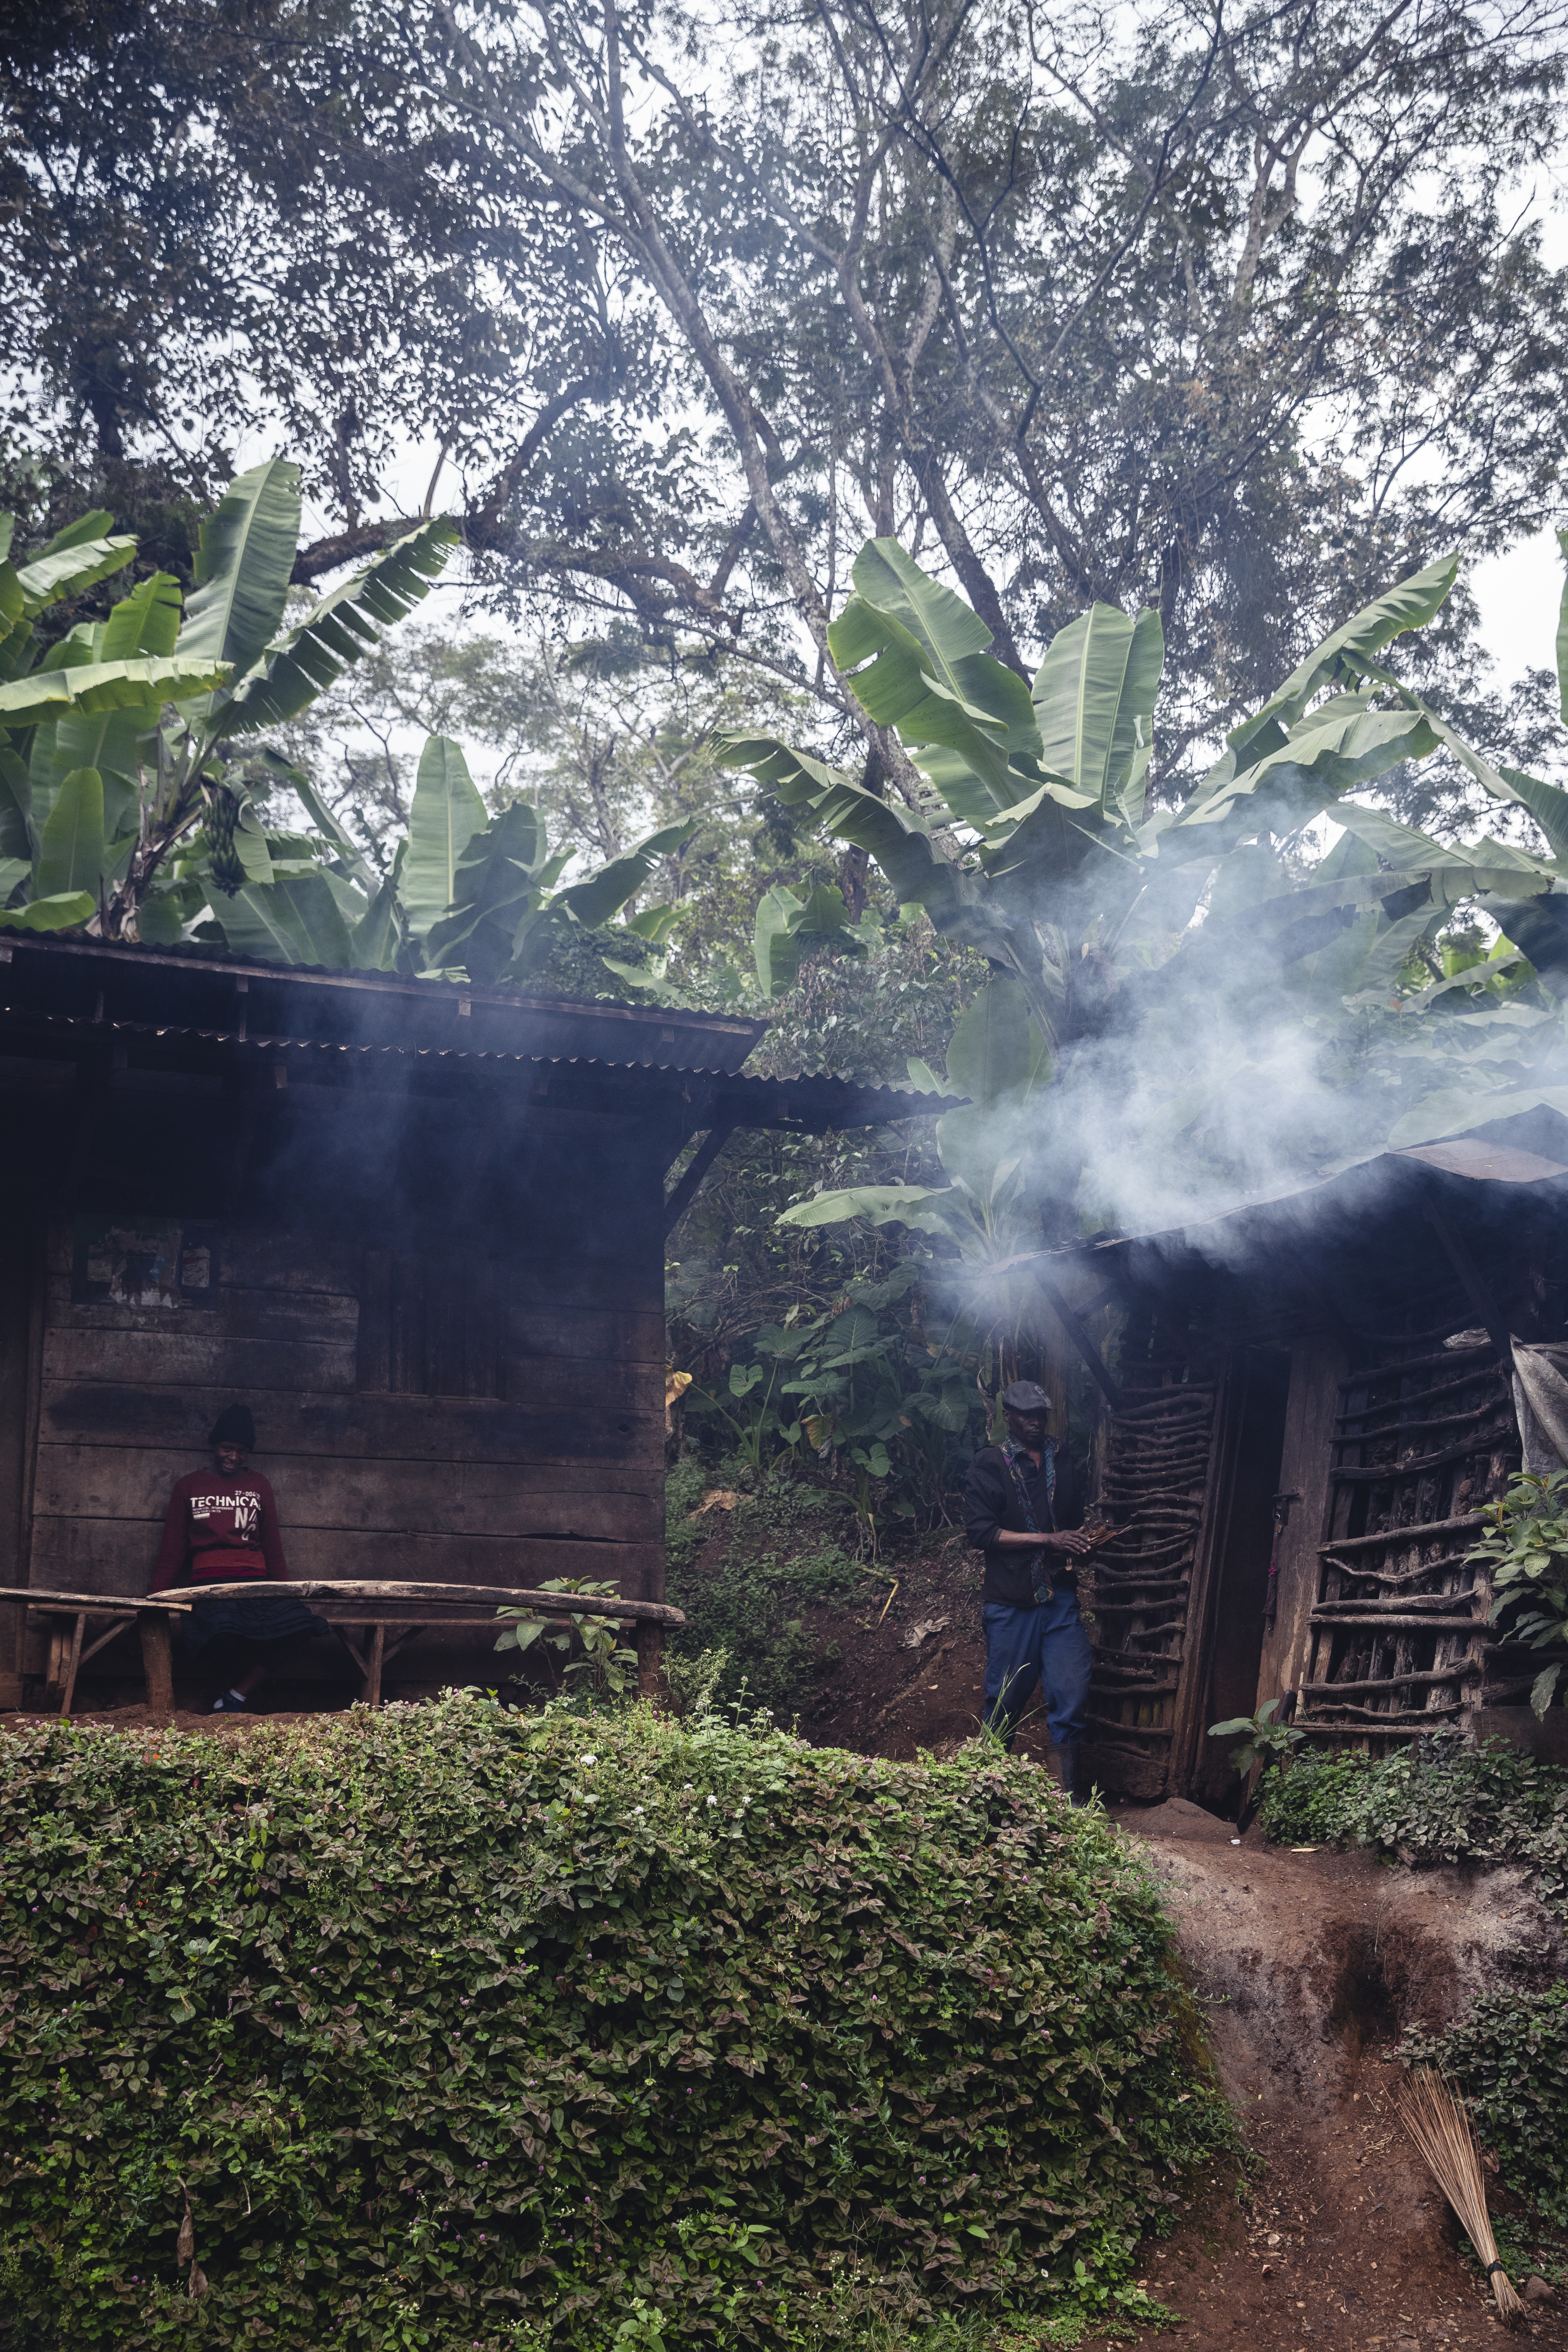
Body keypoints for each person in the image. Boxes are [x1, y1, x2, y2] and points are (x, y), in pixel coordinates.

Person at [963, 1379, 1094, 1801]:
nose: (1035, 1422)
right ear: (1008, 1417)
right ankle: (985, 1801)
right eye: (1025, 1415)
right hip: (1012, 1602)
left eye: (1041, 1415)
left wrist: (1080, 1543)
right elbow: (982, 1533)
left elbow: (1071, 1519)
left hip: (1059, 1598)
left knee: (1072, 1690)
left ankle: (1070, 1807)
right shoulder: (990, 1465)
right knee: (1004, 1700)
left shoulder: (1062, 1456)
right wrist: (1048, 1540)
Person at [150, 1405, 327, 1712]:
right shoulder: (189, 1486)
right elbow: (172, 1549)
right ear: (214, 1447)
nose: (233, 1457)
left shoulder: (259, 1485)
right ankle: (224, 1695)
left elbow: (272, 1545)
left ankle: (236, 1697)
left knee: (300, 1626)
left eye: (242, 1451)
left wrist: (282, 1591)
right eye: (227, 1448)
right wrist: (153, 1599)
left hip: (256, 1583)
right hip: (210, 1584)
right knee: (222, 1633)